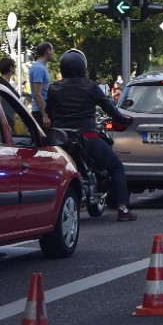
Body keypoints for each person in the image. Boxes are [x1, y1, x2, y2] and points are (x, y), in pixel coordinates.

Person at [45, 49, 137, 222]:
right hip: (87, 138)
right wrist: (123, 120)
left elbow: (49, 111)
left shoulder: (54, 88)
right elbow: (109, 108)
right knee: (116, 167)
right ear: (82, 67)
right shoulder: (91, 87)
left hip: (61, 139)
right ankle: (123, 209)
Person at [29, 41, 53, 128]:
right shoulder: (38, 68)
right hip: (39, 112)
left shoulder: (42, 67)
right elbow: (38, 94)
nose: (52, 53)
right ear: (48, 51)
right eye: (52, 51)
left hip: (42, 111)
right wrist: (44, 115)